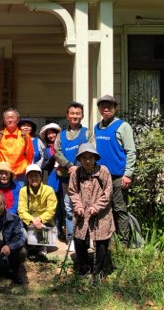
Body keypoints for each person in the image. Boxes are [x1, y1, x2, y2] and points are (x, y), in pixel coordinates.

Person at [94, 95, 136, 247]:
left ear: (115, 108)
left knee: (119, 209)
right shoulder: (97, 127)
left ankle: (124, 242)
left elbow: (131, 151)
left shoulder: (123, 126)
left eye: (110, 107)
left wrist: (128, 174)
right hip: (101, 177)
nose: (106, 109)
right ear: (99, 109)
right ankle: (109, 239)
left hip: (119, 176)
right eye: (103, 107)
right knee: (105, 209)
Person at [68, 143, 114, 279]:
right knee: (79, 240)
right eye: (84, 158)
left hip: (102, 214)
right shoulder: (76, 173)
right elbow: (72, 191)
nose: (87, 161)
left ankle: (99, 271)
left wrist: (97, 207)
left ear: (95, 158)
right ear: (80, 159)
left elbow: (108, 192)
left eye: (90, 157)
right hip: (82, 212)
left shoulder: (103, 171)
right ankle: (84, 268)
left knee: (101, 243)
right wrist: (78, 206)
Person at [54, 101, 94, 247]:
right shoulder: (61, 135)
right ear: (67, 115)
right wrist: (69, 166)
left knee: (85, 206)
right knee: (69, 207)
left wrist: (78, 168)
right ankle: (71, 238)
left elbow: (90, 152)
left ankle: (85, 238)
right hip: (66, 177)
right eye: (72, 113)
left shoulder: (88, 133)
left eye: (78, 113)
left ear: (82, 115)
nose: (75, 116)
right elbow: (57, 152)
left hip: (84, 177)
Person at [17, 164, 57, 258]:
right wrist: (32, 220)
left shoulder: (49, 190)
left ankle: (41, 247)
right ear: (27, 178)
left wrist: (39, 219)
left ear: (41, 176)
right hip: (29, 223)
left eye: (36, 175)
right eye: (31, 176)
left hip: (45, 223)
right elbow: (21, 210)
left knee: (42, 233)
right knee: (23, 234)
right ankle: (31, 246)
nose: (33, 178)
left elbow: (51, 210)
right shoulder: (23, 191)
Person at [0, 108, 34, 186]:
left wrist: (25, 169)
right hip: (3, 174)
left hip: (20, 175)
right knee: (4, 197)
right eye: (7, 118)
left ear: (17, 120)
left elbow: (30, 155)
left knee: (19, 197)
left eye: (12, 117)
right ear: (4, 120)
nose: (10, 120)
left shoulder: (25, 136)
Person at [39, 123, 64, 241]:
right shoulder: (46, 149)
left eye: (53, 132)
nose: (51, 135)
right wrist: (51, 159)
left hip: (63, 177)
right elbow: (44, 165)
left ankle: (64, 229)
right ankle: (56, 229)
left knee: (65, 205)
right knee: (54, 205)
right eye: (48, 133)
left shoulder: (63, 144)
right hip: (52, 178)